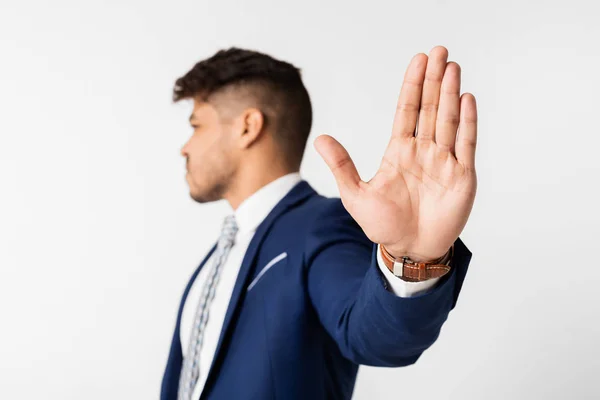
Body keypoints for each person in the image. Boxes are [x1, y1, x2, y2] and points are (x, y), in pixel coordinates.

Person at [161, 45, 477, 400]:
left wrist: (411, 257)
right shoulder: (217, 257)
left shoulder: (320, 227)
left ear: (247, 127)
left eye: (196, 126)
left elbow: (379, 339)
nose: (185, 147)